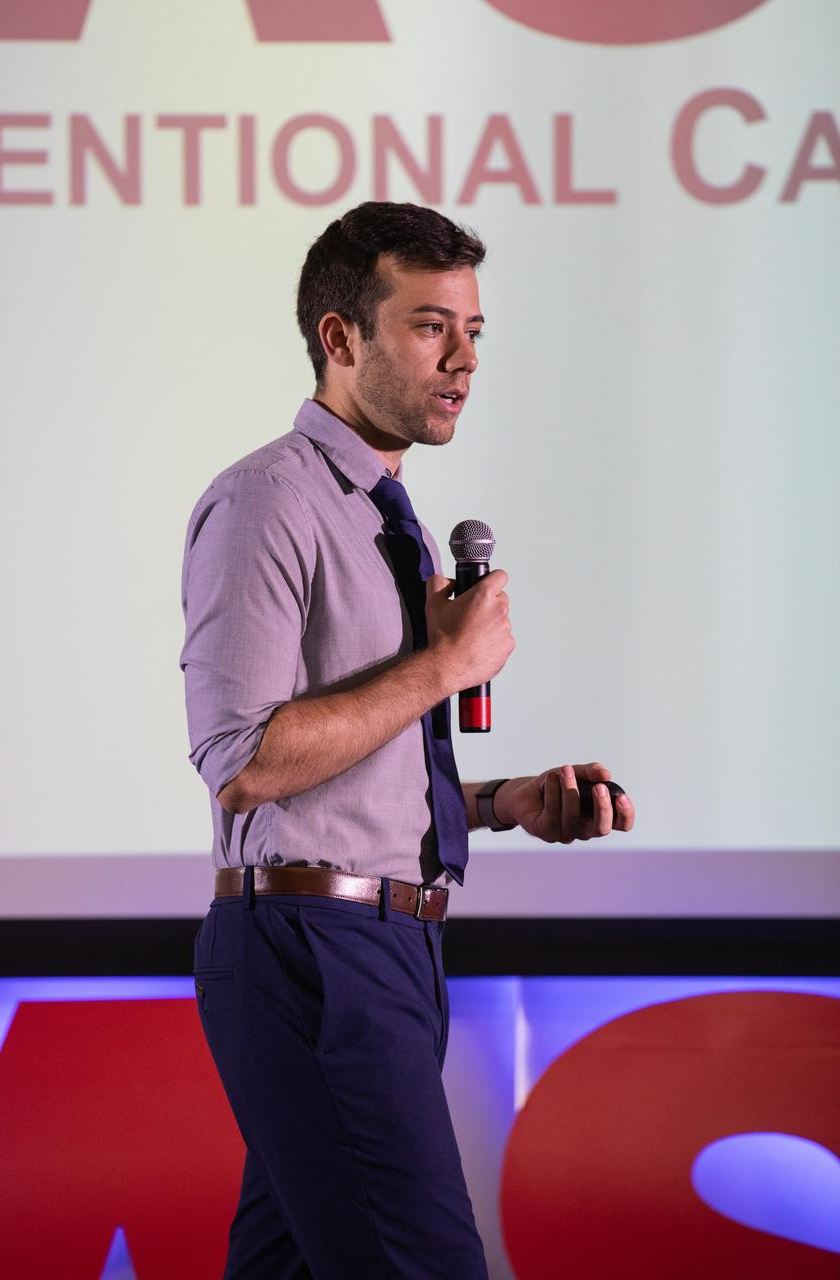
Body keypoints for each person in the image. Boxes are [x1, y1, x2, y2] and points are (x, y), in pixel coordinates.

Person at [180, 201, 635, 1280]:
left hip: (388, 942)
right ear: (340, 337)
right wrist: (442, 666)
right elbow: (241, 761)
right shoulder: (267, 502)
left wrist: (500, 801)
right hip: (314, 947)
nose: (464, 359)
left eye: (473, 331)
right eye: (431, 327)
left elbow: (346, 772)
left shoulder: (390, 517)